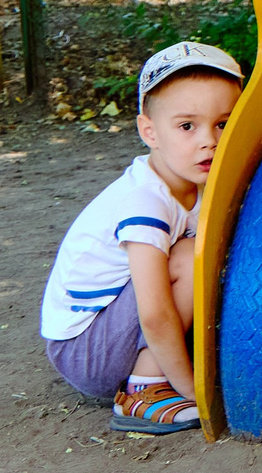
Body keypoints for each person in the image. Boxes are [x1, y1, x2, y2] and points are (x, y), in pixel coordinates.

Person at [39, 42, 243, 433]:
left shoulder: (198, 178)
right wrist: (193, 389)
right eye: (187, 126)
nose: (209, 140)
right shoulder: (146, 201)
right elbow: (153, 311)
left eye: (223, 123)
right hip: (84, 350)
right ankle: (144, 389)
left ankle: (158, 367)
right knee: (189, 256)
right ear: (149, 131)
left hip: (113, 329)